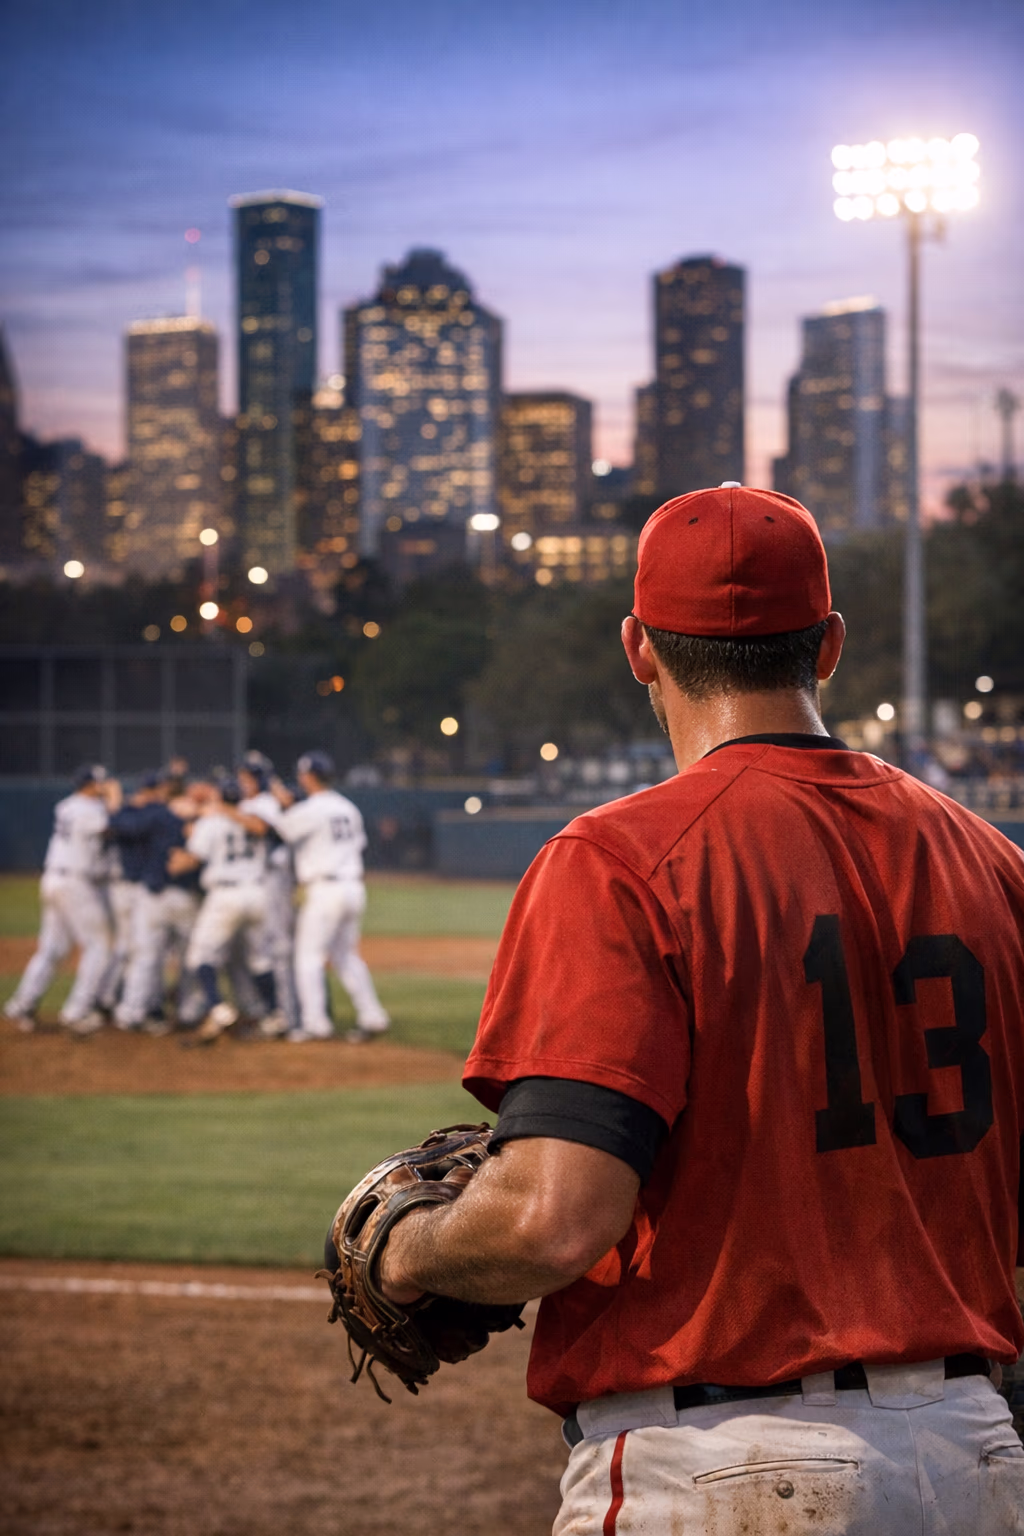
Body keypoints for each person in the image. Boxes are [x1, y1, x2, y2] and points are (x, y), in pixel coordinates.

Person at [374, 484, 1024, 1534]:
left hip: (727, 1469)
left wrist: (410, 1250)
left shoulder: (619, 860)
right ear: (829, 645)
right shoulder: (990, 862)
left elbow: (553, 1220)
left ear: (637, 647)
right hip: (974, 1454)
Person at [273, 751, 389, 1044]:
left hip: (325, 890)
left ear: (309, 777)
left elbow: (281, 830)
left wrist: (284, 804)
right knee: (346, 956)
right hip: (352, 887)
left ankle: (316, 1024)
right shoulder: (347, 807)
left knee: (308, 958)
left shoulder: (311, 808)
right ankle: (372, 1016)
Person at [4, 764, 119, 1034]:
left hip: (54, 879)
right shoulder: (90, 809)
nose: (104, 787)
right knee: (99, 946)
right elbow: (112, 826)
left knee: (53, 948)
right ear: (90, 785)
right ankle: (76, 1012)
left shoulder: (66, 805)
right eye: (100, 784)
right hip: (76, 883)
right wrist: (114, 799)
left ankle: (22, 1004)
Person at [172, 778, 283, 1043]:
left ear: (220, 798)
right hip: (257, 893)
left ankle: (218, 1008)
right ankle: (274, 1014)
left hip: (225, 895)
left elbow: (194, 858)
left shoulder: (211, 823)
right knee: (260, 958)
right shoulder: (251, 819)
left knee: (200, 955)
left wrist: (178, 861)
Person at [108, 769, 203, 1035]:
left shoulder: (157, 812)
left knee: (146, 956)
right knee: (189, 958)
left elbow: (125, 827)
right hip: (186, 896)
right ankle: (187, 1011)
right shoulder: (202, 813)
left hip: (154, 895)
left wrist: (123, 805)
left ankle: (132, 1011)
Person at [235, 751, 298, 1036]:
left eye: (249, 776)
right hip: (259, 883)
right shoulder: (250, 802)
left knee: (278, 949)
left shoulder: (266, 803)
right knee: (260, 951)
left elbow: (264, 828)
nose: (244, 781)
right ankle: (270, 1010)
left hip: (274, 881)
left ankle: (285, 1013)